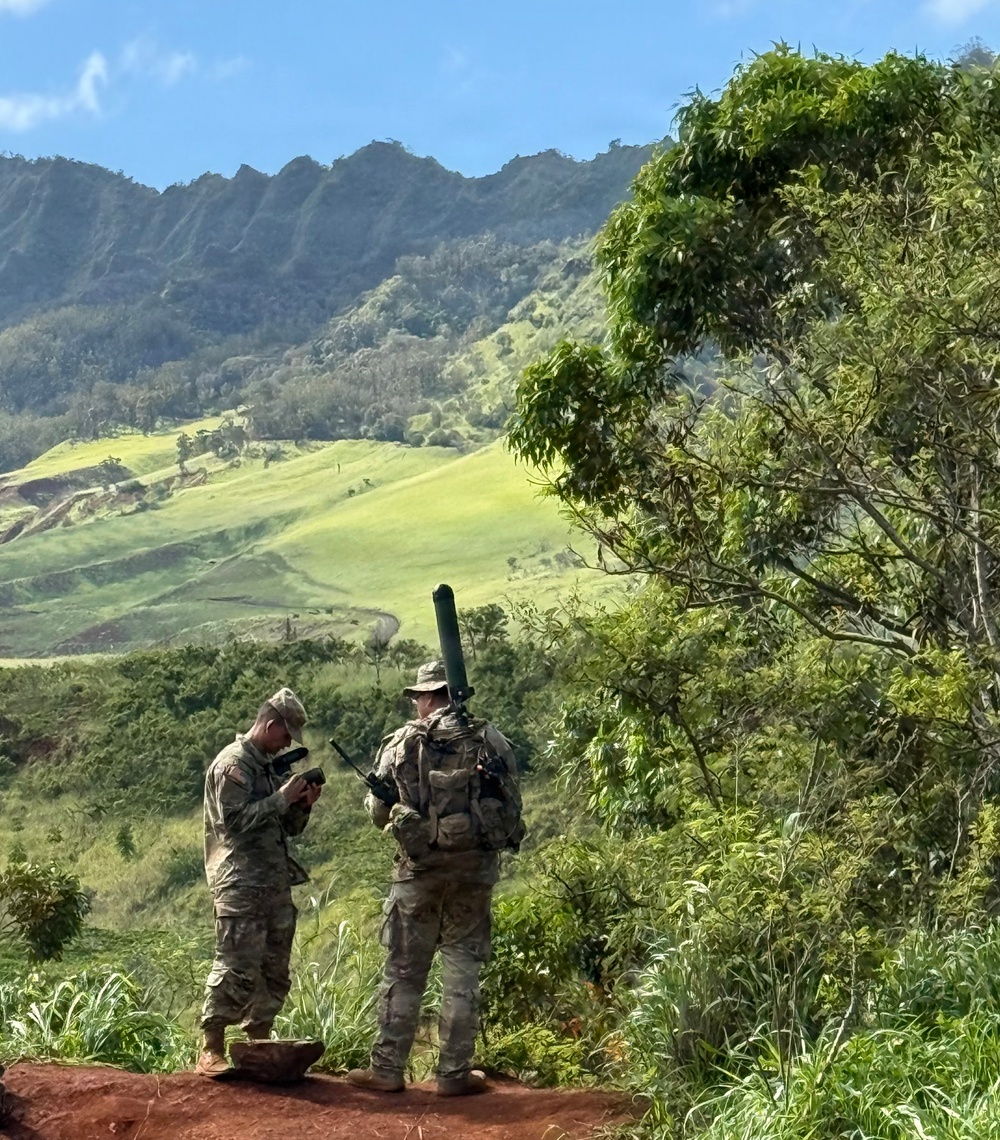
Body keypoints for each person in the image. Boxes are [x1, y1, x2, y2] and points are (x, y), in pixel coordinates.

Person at [348, 661, 523, 1097]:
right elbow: (513, 806)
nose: (417, 704)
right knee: (462, 968)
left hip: (418, 872)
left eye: (418, 697)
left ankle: (387, 1070)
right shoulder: (490, 739)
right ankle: (453, 1075)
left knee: (404, 970)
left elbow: (376, 812)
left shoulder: (405, 741)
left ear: (429, 696)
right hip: (473, 872)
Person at [196, 687, 322, 1077]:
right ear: (269, 725)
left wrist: (302, 806)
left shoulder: (267, 769)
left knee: (274, 968)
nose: (287, 744)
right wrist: (281, 798)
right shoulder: (232, 766)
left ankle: (258, 1043)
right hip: (239, 883)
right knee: (235, 965)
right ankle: (211, 1047)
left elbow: (285, 827)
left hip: (273, 881)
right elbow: (231, 824)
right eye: (285, 736)